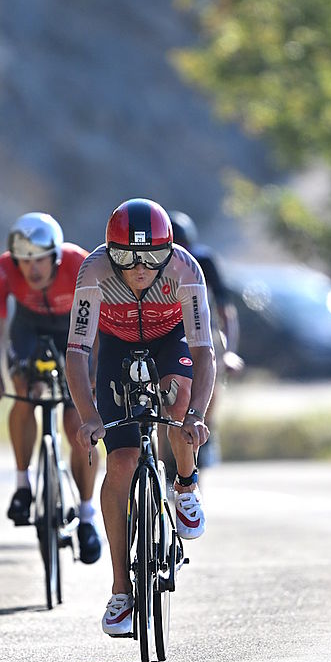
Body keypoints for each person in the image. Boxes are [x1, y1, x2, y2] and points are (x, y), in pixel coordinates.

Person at [64, 198, 215, 637]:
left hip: (171, 341)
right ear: (111, 252)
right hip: (115, 346)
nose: (139, 267)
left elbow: (204, 351)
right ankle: (119, 589)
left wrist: (198, 415)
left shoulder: (186, 270)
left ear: (168, 252)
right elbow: (77, 353)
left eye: (151, 257)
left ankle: (185, 485)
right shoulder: (93, 271)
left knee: (180, 403)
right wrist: (88, 416)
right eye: (127, 257)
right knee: (122, 463)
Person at [0, 212, 102, 563]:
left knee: (77, 421)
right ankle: (23, 486)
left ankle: (86, 513)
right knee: (23, 394)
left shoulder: (80, 263)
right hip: (29, 328)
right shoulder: (1, 271)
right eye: (25, 262)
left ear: (57, 256)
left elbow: (102, 325)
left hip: (73, 329)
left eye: (40, 261)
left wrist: (94, 378)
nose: (32, 270)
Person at [167, 210, 244, 468]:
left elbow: (225, 310)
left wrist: (230, 350)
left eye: (184, 247)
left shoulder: (203, 260)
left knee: (212, 368)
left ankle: (208, 426)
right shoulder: (152, 262)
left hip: (201, 326)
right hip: (167, 328)